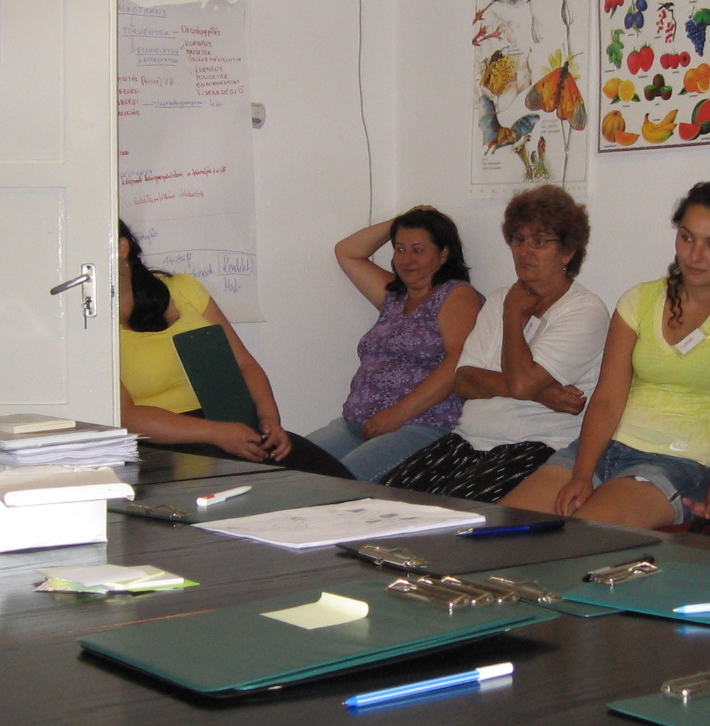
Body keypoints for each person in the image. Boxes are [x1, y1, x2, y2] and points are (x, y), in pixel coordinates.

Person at [503, 182, 710, 529]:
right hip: (606, 448)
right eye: (687, 238)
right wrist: (582, 474)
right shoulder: (639, 300)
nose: (695, 255)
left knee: (580, 538)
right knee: (503, 527)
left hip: (680, 463)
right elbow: (608, 397)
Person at [380, 185, 609, 502]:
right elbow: (464, 380)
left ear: (567, 252)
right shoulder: (500, 298)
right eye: (518, 239)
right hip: (466, 440)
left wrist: (513, 316)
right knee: (383, 501)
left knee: (453, 514)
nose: (524, 251)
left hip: (536, 444)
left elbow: (522, 382)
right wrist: (541, 394)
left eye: (539, 241)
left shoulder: (584, 311)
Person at [117, 221, 351, 477]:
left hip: (231, 426)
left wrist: (269, 419)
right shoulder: (91, 328)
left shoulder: (182, 288)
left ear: (122, 248)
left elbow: (244, 364)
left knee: (338, 481)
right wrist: (217, 433)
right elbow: (127, 417)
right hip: (167, 445)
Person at [307, 208, 484, 481]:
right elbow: (347, 252)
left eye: (418, 249)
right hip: (357, 423)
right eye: (400, 249)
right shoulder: (395, 296)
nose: (407, 259)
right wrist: (404, 219)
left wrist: (397, 415)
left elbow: (459, 360)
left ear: (443, 254)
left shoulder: (457, 295)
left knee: (341, 482)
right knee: (287, 467)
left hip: (421, 424)